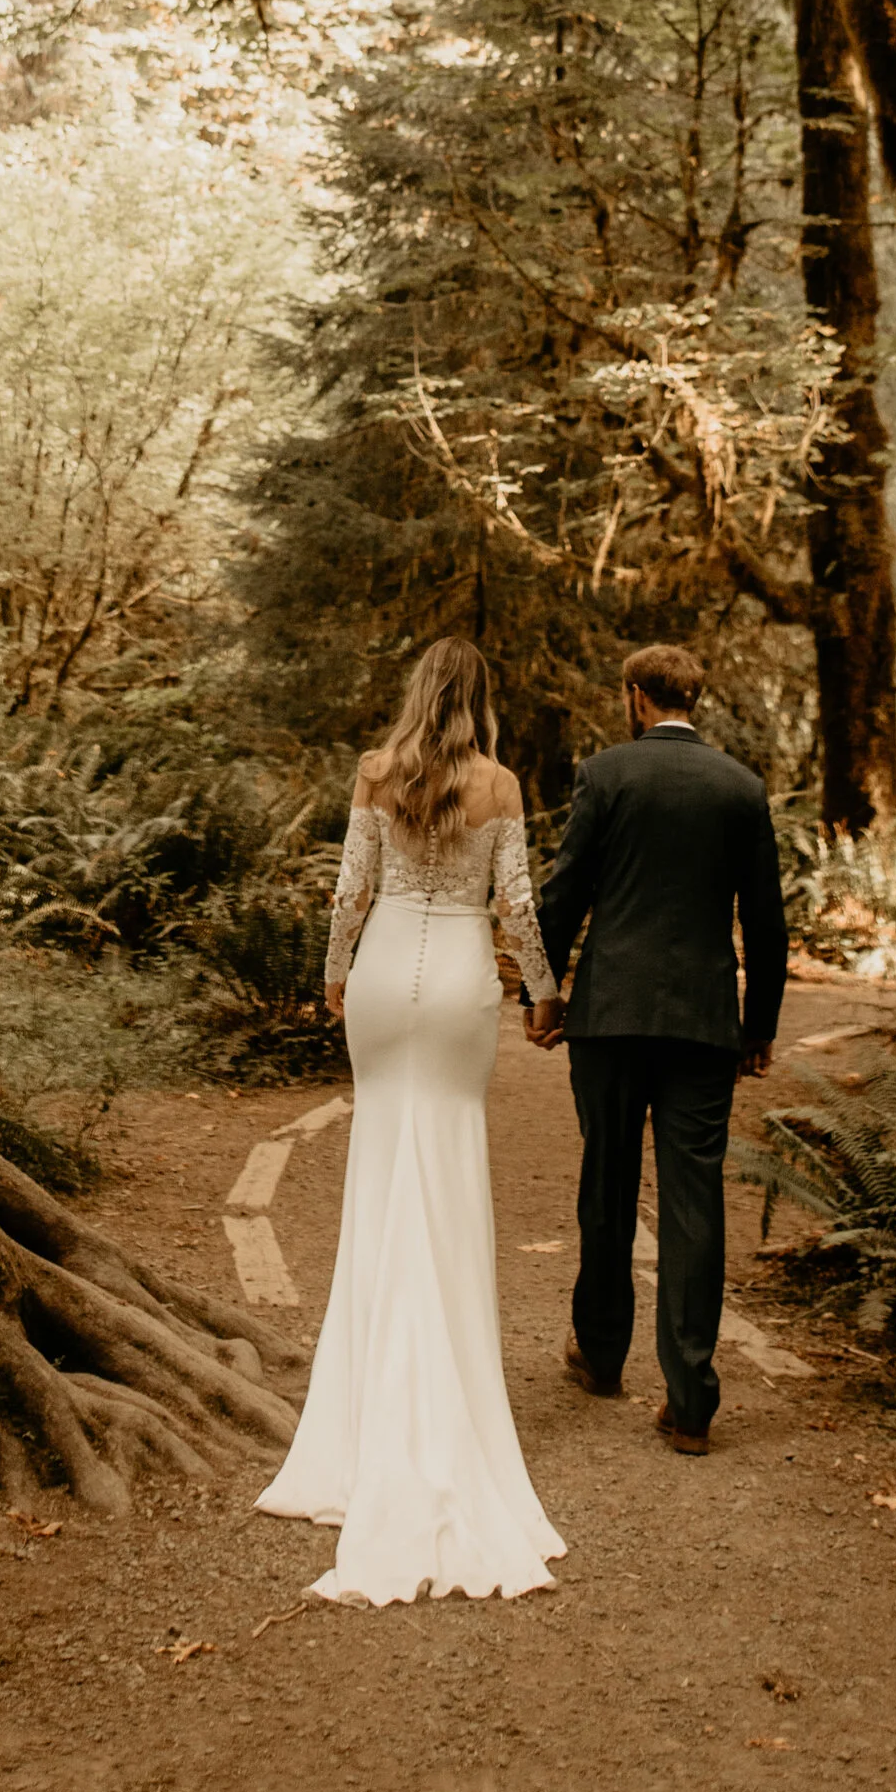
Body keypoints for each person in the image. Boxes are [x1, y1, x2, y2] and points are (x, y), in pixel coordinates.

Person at [255, 635, 567, 1603]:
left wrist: (332, 974)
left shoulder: (374, 772)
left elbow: (350, 886)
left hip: (387, 970)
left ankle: (361, 1411)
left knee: (382, 1162)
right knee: (449, 1164)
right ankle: (444, 1394)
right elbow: (514, 903)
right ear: (479, 699)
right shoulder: (502, 784)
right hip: (462, 974)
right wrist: (545, 990)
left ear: (418, 692)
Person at [532, 641, 789, 1456]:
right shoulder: (740, 788)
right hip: (704, 1025)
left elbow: (565, 891)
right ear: (692, 699)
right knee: (693, 1199)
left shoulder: (606, 775)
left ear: (637, 696)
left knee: (605, 1180)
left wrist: (543, 992)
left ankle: (602, 1355)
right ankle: (691, 1401)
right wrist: (760, 1026)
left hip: (609, 1018)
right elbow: (768, 922)